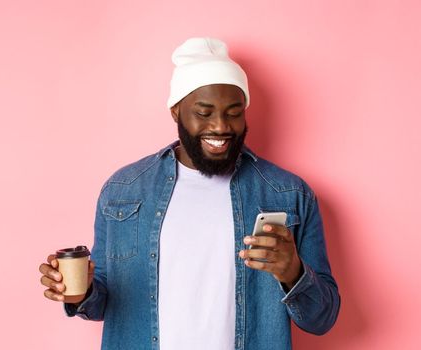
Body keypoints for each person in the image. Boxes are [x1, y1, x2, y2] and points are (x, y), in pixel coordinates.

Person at [37, 37, 340, 350]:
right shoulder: (124, 190)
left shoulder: (288, 194)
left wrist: (293, 273)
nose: (221, 126)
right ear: (176, 111)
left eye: (234, 112)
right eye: (204, 112)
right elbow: (102, 303)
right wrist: (81, 293)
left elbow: (323, 318)